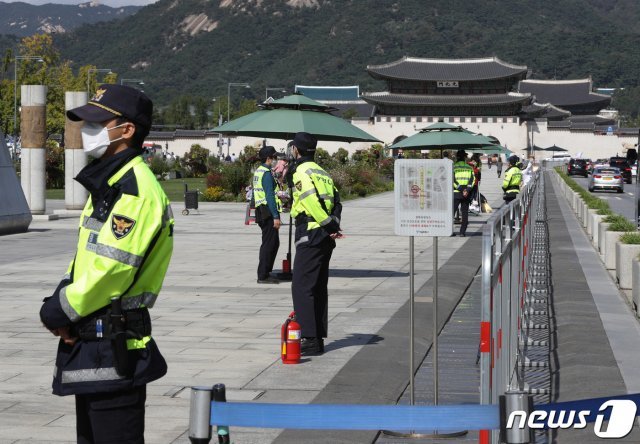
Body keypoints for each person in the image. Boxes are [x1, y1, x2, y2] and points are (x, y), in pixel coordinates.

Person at [39, 84, 174, 443]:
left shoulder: (134, 189)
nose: (88, 130)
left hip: (115, 343)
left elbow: (113, 269)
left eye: (99, 122)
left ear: (127, 130)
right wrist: (62, 301)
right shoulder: (111, 183)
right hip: (95, 337)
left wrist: (60, 311)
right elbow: (89, 259)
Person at [289, 132, 341, 355]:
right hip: (324, 235)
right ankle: (317, 337)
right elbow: (337, 201)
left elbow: (310, 201)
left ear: (296, 150)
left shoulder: (301, 170)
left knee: (301, 286)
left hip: (310, 232)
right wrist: (334, 225)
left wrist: (328, 225)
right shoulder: (322, 172)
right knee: (318, 286)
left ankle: (309, 339)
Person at [253, 146, 281, 284]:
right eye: (275, 157)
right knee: (269, 244)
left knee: (272, 243)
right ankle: (263, 275)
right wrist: (276, 216)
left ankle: (265, 272)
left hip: (261, 210)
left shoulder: (259, 171)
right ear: (269, 158)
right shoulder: (267, 173)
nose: (276, 160)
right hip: (267, 212)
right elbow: (269, 195)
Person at [452, 149, 475, 237]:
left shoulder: (453, 167)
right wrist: (467, 190)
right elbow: (472, 180)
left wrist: (461, 189)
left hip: (456, 192)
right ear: (465, 157)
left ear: (457, 157)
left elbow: (452, 180)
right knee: (464, 213)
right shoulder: (469, 167)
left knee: (452, 213)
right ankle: (462, 232)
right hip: (466, 194)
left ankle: (450, 231)